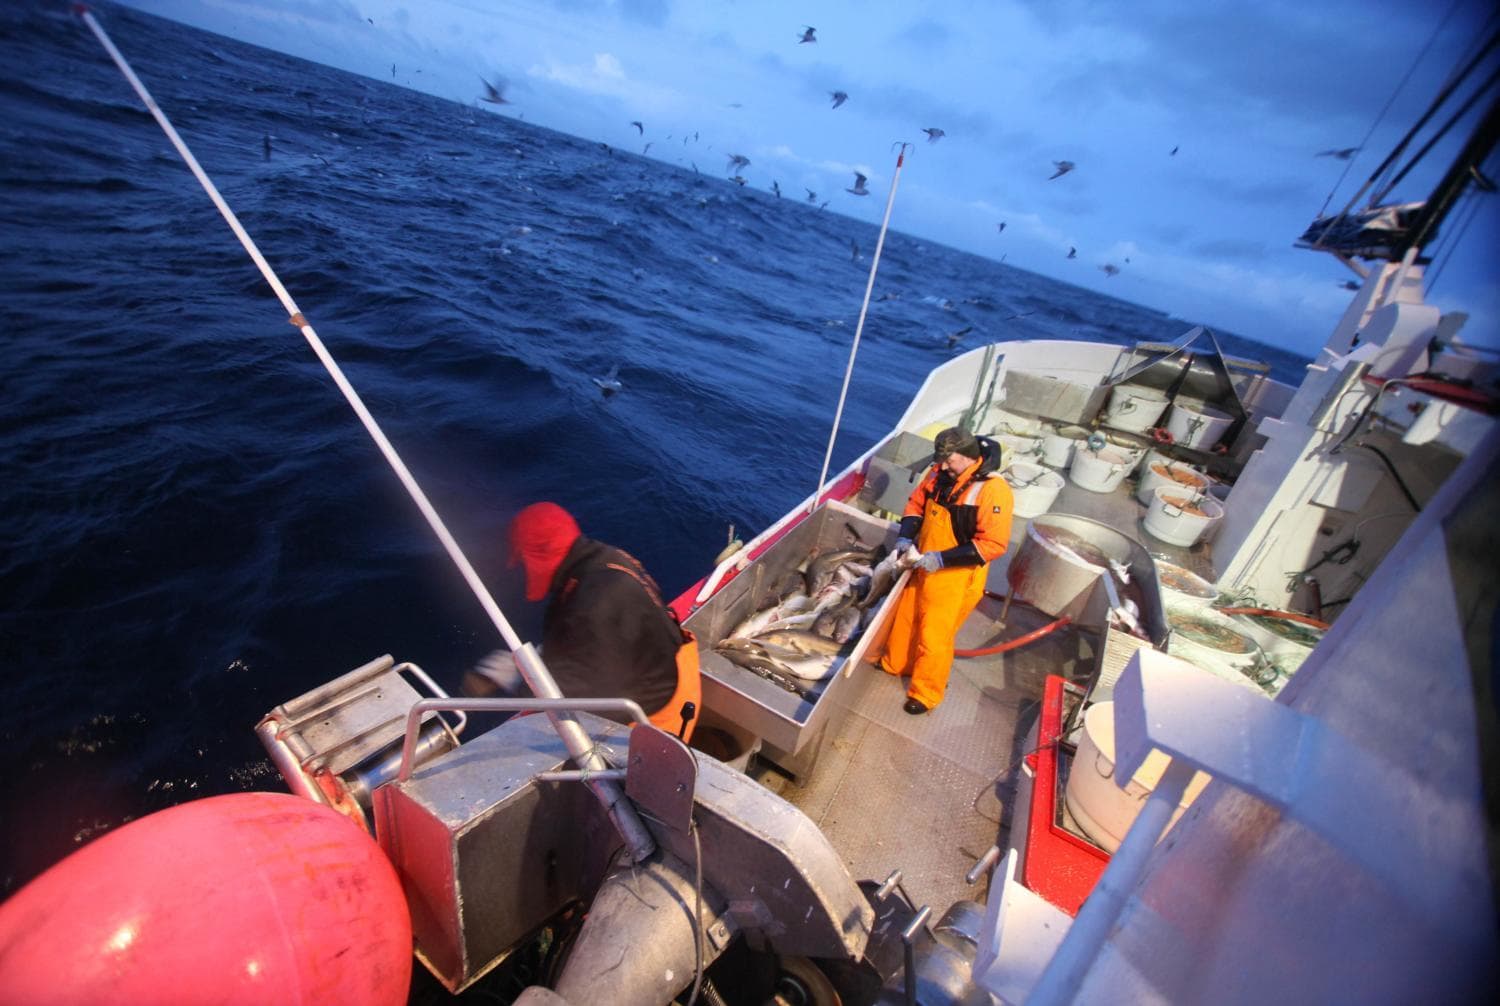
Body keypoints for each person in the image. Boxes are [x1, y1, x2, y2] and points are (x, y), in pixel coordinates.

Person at [463, 502, 701, 740]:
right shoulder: (599, 560)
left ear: (539, 555)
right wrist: (525, 663)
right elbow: (595, 643)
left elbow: (585, 694)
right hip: (664, 673)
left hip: (656, 716)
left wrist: (516, 678)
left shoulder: (595, 600)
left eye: (523, 561)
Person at [878, 427, 1014, 714]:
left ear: (968, 457)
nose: (942, 467)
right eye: (940, 461)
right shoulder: (939, 472)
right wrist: (905, 536)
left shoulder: (993, 490)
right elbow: (916, 503)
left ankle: (926, 693)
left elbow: (994, 544)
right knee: (906, 619)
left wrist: (941, 560)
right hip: (922, 562)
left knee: (935, 635)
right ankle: (896, 664)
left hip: (956, 575)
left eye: (949, 461)